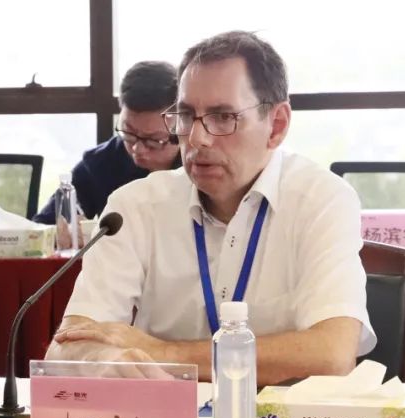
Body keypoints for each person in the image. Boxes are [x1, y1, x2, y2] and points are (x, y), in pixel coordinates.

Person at [47, 31, 375, 386]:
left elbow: (332, 353)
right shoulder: (134, 206)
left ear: (276, 126)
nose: (197, 138)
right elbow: (66, 348)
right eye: (186, 115)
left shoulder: (321, 200)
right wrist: (105, 360)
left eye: (223, 117)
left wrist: (164, 353)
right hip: (164, 416)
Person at [33, 61, 182, 226]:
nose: (137, 149)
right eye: (129, 133)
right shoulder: (101, 164)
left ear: (182, 126)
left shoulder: (199, 165)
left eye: (153, 141)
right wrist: (63, 230)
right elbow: (42, 226)